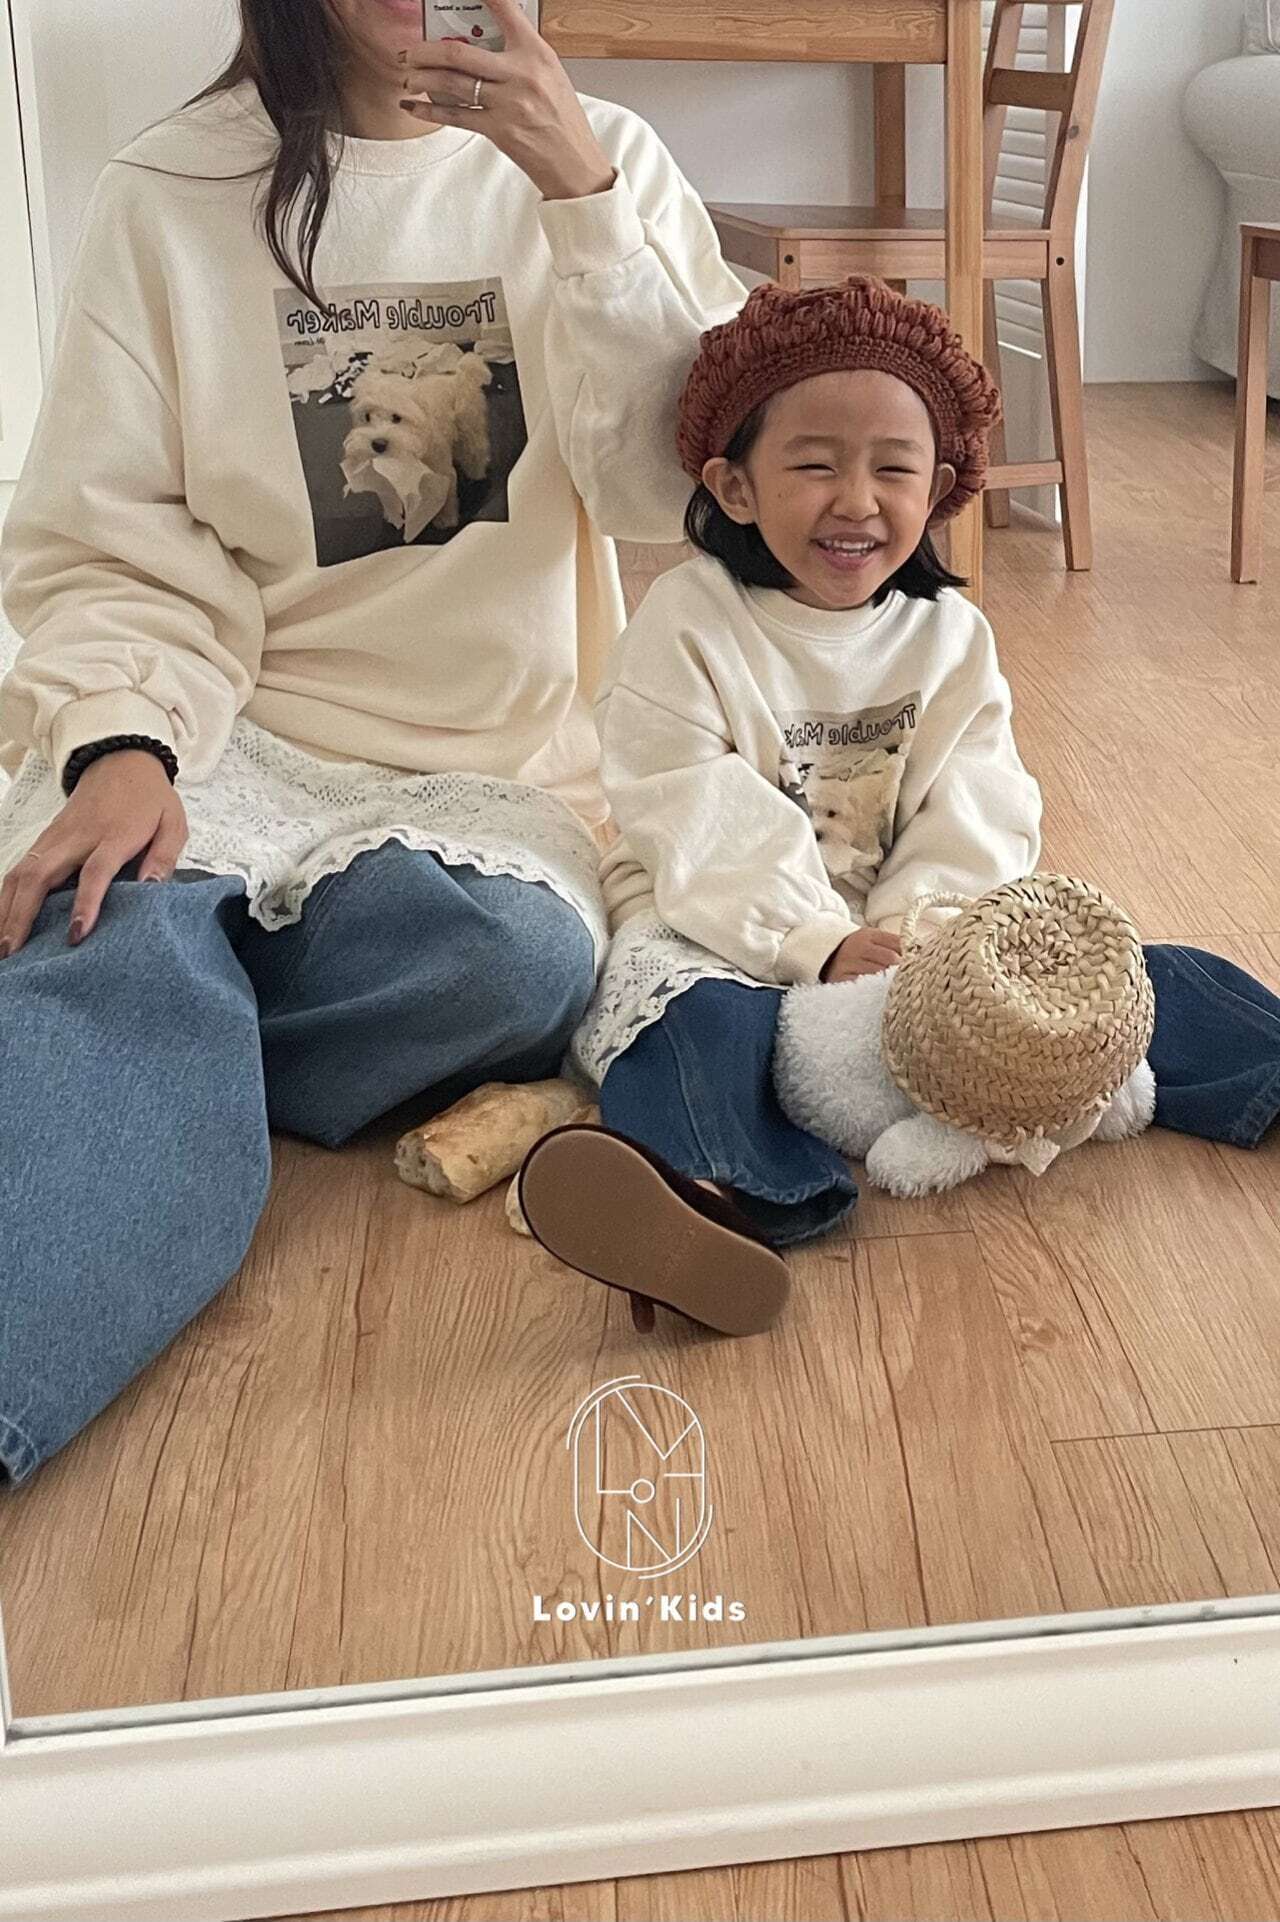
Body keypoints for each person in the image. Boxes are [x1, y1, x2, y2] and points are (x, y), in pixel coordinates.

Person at [0, 0, 749, 1487]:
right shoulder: (174, 189)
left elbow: (677, 493)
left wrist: (581, 199)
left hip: (484, 783)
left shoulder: (608, 162)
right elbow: (107, 537)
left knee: (517, 961)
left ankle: (130, 1049)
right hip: (229, 736)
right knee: (114, 907)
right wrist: (125, 744)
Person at [516, 277, 1280, 1337]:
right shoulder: (686, 624)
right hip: (725, 922)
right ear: (734, 486)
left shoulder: (948, 637)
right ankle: (724, 1204)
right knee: (687, 1031)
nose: (856, 500)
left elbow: (979, 796)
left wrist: (929, 937)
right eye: (814, 465)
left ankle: (1259, 1066)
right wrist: (815, 941)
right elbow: (685, 807)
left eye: (892, 469)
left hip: (920, 940)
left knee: (1137, 979)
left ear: (940, 487)